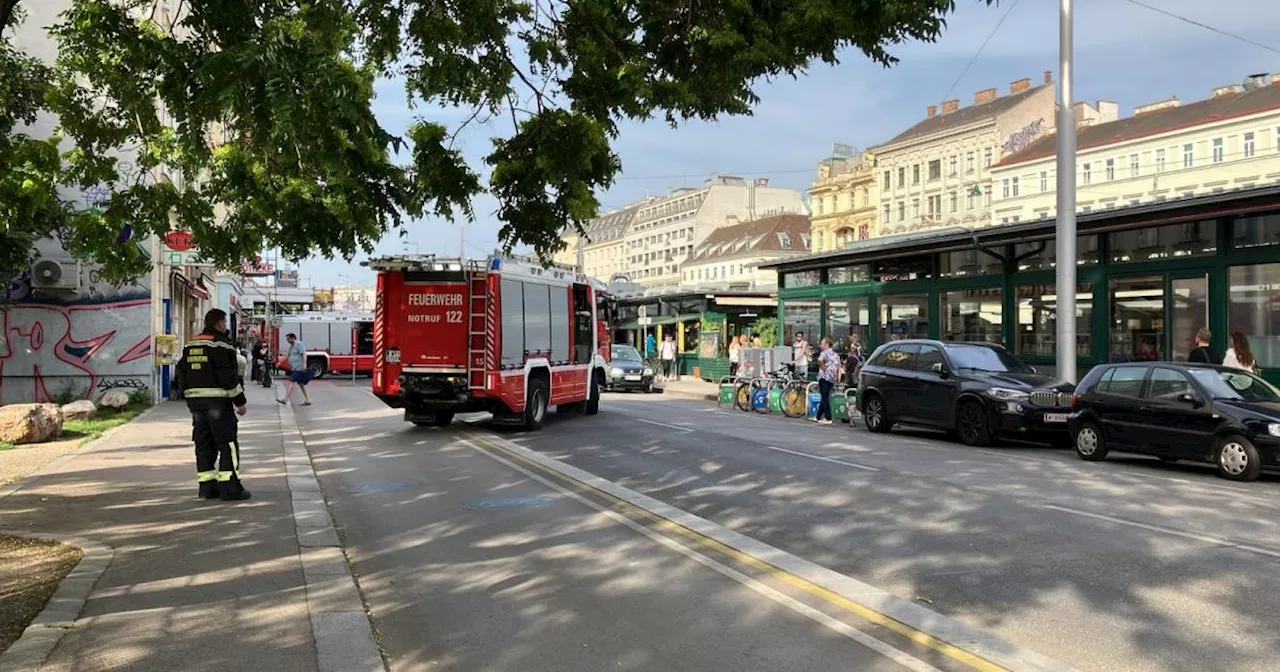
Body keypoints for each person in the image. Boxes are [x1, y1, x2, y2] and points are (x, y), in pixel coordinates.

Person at [175, 309, 250, 501]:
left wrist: (186, 395)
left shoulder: (191, 344)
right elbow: (227, 377)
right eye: (224, 323)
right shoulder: (221, 345)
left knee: (204, 445)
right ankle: (230, 488)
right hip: (218, 404)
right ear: (218, 323)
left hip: (196, 405)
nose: (225, 327)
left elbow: (181, 371)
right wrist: (240, 402)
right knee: (228, 444)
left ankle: (207, 488)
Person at [278, 332, 313, 405]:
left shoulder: (299, 344)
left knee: (291, 382)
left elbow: (304, 354)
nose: (287, 341)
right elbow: (288, 356)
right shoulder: (291, 347)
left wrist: (304, 364)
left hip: (299, 368)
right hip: (295, 368)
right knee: (301, 384)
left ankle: (285, 399)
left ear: (293, 338)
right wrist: (280, 362)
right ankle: (307, 400)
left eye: (288, 339)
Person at [814, 338, 839, 425]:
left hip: (824, 376)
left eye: (822, 344)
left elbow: (820, 360)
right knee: (824, 396)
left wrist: (823, 367)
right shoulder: (835, 354)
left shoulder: (824, 352)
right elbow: (838, 366)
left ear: (827, 344)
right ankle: (818, 416)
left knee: (824, 397)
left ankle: (828, 417)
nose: (820, 345)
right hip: (831, 377)